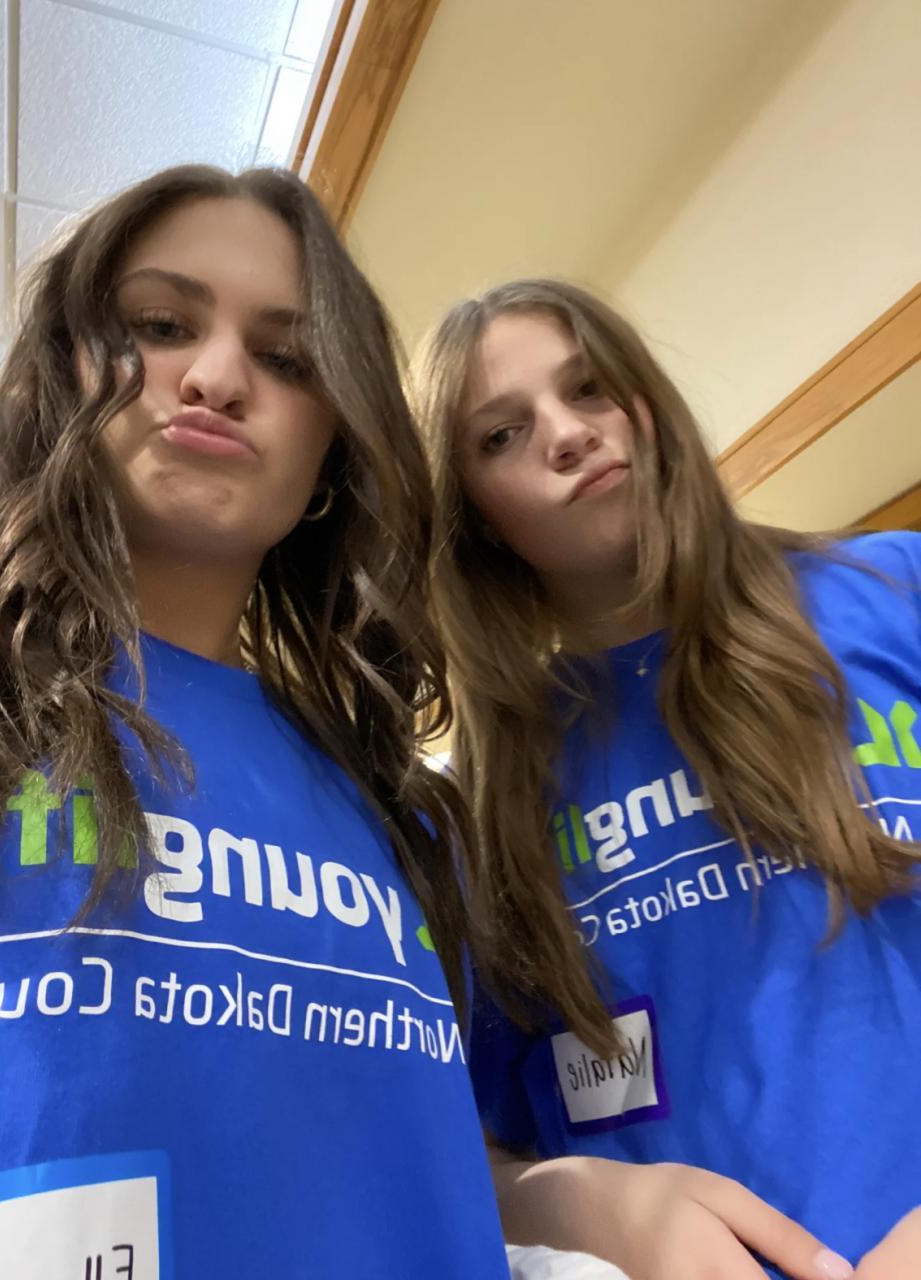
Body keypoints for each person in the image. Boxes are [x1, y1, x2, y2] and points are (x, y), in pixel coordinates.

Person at [0, 165, 511, 1279]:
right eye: (159, 326)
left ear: (332, 452)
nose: (219, 377)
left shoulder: (404, 816)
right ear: (68, 371)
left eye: (288, 359)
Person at [410, 277, 921, 1280]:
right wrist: (562, 1200)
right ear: (472, 514)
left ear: (646, 403)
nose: (567, 434)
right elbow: (456, 1149)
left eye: (589, 388)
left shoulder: (894, 594)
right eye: (502, 435)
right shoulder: (471, 814)